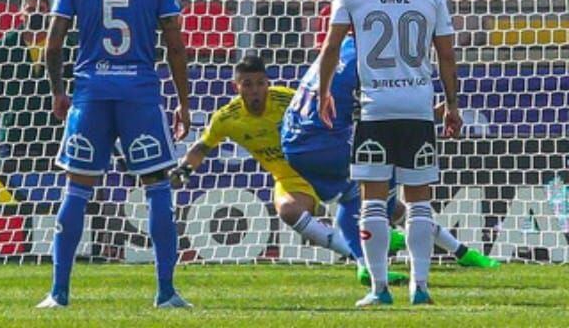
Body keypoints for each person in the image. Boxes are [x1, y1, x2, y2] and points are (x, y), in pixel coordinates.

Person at [39, 0, 192, 309]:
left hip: (90, 92)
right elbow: (175, 45)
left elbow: (53, 43)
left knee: (76, 188)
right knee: (157, 186)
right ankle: (165, 292)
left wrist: (58, 90)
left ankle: (59, 293)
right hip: (139, 93)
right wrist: (183, 103)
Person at [317, 0, 460, 307]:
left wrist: (325, 91)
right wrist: (452, 105)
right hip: (417, 106)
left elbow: (331, 48)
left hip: (375, 107)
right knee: (419, 201)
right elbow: (446, 55)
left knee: (373, 200)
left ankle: (380, 289)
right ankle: (421, 286)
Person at [169, 54, 404, 286]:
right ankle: (359, 256)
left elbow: (321, 111)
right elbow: (202, 147)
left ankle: (422, 237)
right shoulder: (227, 118)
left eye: (260, 83)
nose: (255, 90)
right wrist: (185, 170)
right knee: (289, 210)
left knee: (387, 206)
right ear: (236, 86)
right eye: (248, 84)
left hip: (317, 166)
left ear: (267, 83)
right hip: (288, 179)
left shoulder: (287, 100)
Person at [283, 34, 497, 287]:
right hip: (324, 144)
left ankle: (460, 252)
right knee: (379, 185)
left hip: (294, 141)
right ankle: (375, 258)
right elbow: (385, 108)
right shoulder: (370, 59)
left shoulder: (342, 47)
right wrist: (431, 112)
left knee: (366, 197)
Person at [0, 0, 62, 174]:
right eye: (30, 9)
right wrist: (12, 112)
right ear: (21, 13)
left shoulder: (62, 43)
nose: (35, 14)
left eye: (40, 10)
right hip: (16, 133)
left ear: (49, 13)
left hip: (54, 132)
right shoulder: (7, 44)